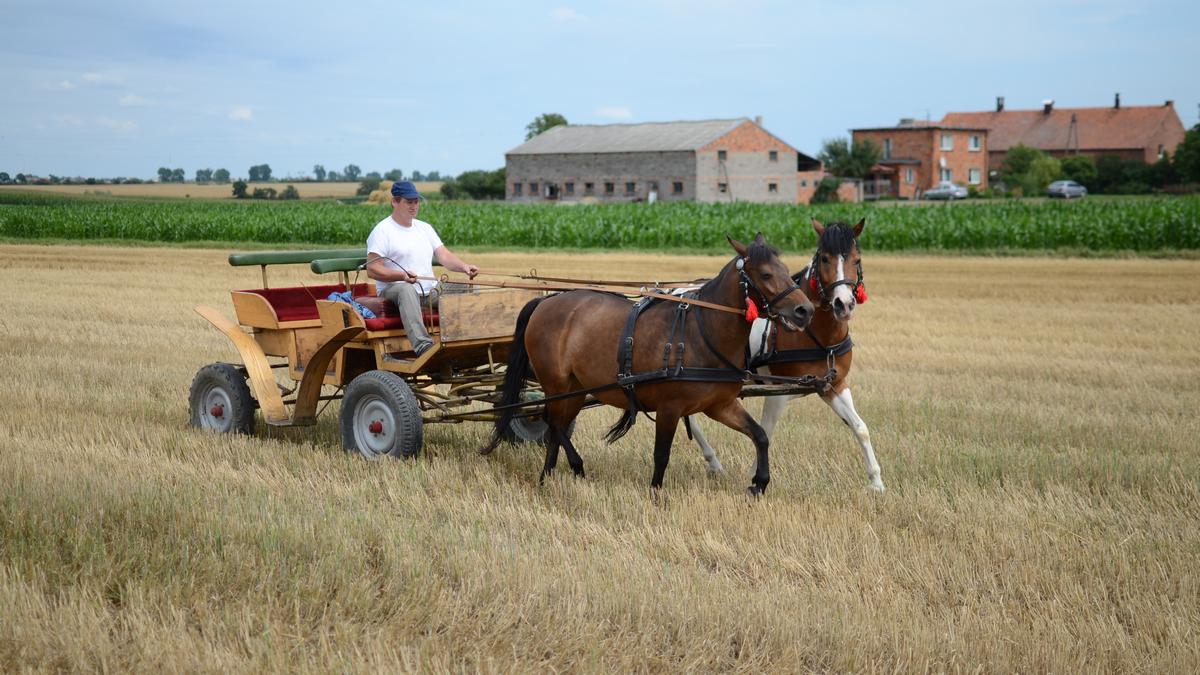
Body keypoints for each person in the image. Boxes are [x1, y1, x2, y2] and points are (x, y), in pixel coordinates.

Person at [365, 181, 478, 356]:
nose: (414, 206)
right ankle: (423, 347)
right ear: (395, 202)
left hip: (430, 291)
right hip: (394, 289)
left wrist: (464, 267)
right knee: (407, 290)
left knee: (468, 288)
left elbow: (444, 256)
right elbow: (372, 269)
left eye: (416, 201)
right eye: (408, 202)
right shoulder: (382, 231)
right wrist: (402, 275)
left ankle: (466, 339)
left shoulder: (425, 228)